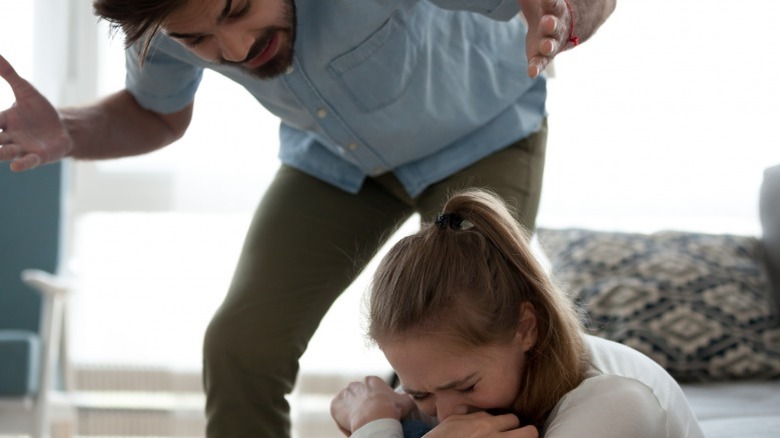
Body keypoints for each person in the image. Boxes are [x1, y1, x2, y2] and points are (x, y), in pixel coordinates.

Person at [0, 0, 616, 436]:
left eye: (238, 9)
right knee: (240, 345)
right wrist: (68, 131)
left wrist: (562, 14)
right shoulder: (162, 20)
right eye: (199, 41)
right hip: (337, 163)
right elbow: (157, 113)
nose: (235, 50)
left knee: (451, 348)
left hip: (481, 136)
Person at [331, 189, 704, 438]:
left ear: (526, 328)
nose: (444, 416)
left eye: (465, 386)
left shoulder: (617, 405)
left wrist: (371, 423)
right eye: (420, 394)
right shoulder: (443, 374)